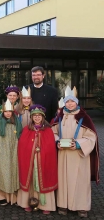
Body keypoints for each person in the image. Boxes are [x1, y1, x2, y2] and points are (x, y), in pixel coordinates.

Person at [52, 86, 99, 218]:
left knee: (80, 181)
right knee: (63, 179)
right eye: (67, 101)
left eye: (72, 101)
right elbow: (52, 133)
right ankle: (63, 204)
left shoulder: (85, 117)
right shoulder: (60, 117)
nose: (70, 104)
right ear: (64, 103)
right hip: (63, 154)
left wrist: (78, 144)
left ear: (76, 102)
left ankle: (81, 206)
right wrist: (57, 142)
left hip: (79, 155)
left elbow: (91, 137)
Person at [17, 104, 58, 215]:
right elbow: (22, 146)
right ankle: (28, 203)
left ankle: (45, 205)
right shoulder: (26, 129)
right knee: (30, 180)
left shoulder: (48, 130)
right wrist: (31, 149)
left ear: (43, 117)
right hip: (30, 161)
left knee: (43, 179)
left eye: (39, 116)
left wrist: (41, 151)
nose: (37, 118)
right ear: (31, 117)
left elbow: (50, 148)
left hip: (43, 161)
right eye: (34, 116)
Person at [0, 99, 22, 205]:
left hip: (14, 152)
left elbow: (20, 138)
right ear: (2, 112)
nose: (8, 113)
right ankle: (2, 196)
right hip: (1, 153)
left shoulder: (17, 124)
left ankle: (14, 197)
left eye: (10, 111)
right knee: (2, 173)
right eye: (6, 111)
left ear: (13, 112)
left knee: (14, 173)